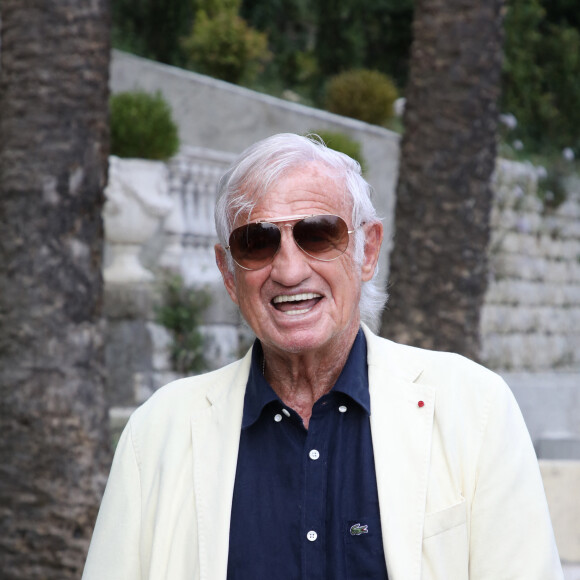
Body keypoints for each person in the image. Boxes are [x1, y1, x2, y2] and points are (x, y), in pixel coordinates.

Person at [83, 133, 563, 579]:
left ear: (367, 251)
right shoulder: (157, 434)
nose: (289, 270)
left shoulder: (474, 411)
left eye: (317, 234)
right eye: (257, 242)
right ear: (229, 275)